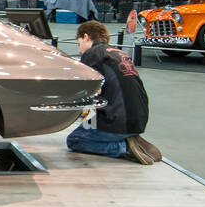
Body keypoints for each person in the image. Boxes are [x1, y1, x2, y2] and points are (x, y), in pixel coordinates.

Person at [67, 21, 162, 164]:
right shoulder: (117, 53)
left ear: (86, 37)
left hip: (117, 121)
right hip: (137, 119)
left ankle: (124, 147)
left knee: (75, 140)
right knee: (88, 122)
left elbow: (88, 91)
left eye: (79, 44)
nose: (80, 51)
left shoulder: (92, 54)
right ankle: (129, 138)